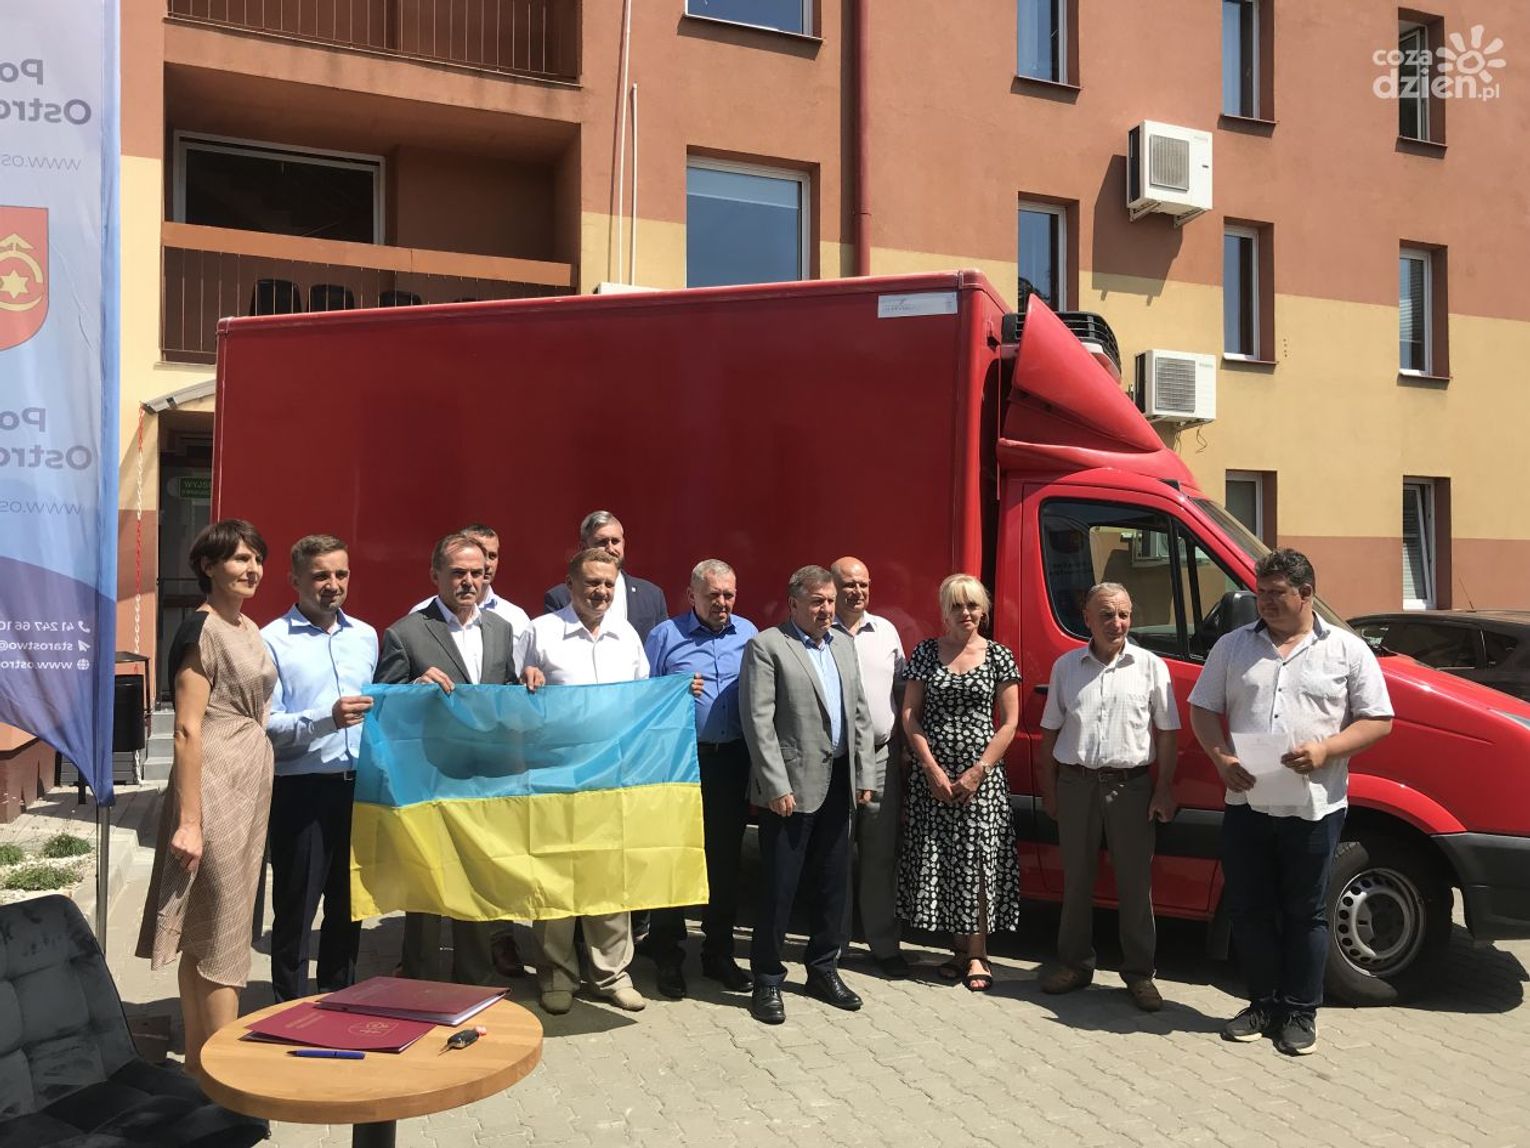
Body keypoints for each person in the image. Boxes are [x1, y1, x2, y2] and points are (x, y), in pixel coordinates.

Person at [1190, 548, 1392, 1056]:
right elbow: (1203, 709)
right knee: (1250, 910)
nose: (1265, 602)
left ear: (1306, 594)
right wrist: (1221, 758)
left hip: (1314, 808)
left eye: (1276, 593)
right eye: (1260, 592)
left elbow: (1378, 720)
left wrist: (1326, 750)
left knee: (1306, 914)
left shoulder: (1346, 651)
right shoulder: (1233, 646)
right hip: (1247, 804)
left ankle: (1301, 1012)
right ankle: (1262, 1004)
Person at [136, 519, 276, 1074]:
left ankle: (200, 1065)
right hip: (213, 783)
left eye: (257, 558)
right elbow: (186, 729)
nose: (252, 569)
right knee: (222, 928)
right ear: (207, 566)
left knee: (208, 925)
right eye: (240, 558)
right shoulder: (202, 630)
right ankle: (228, 1071)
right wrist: (190, 822)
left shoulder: (247, 625)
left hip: (247, 781)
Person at [374, 532, 537, 984]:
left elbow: (502, 695)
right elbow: (382, 707)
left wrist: (526, 679)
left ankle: (473, 980)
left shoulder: (501, 630)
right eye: (459, 573)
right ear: (435, 575)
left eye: (477, 574)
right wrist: (412, 689)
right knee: (426, 883)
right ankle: (421, 980)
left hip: (482, 779)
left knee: (476, 879)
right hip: (427, 779)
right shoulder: (406, 632)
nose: (469, 582)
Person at [741, 565, 877, 1025]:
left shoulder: (843, 644)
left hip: (839, 780)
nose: (826, 610)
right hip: (792, 788)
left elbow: (859, 713)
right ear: (794, 603)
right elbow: (758, 722)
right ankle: (766, 979)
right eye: (817, 601)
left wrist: (863, 773)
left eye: (830, 601)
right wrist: (775, 784)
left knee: (833, 883)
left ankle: (822, 969)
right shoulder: (768, 646)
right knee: (779, 886)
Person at [1036, 583, 1179, 1011]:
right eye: (1107, 615)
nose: (1117, 623)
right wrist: (1050, 791)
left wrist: (1164, 788)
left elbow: (1167, 734)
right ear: (1087, 619)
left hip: (1130, 787)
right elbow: (1049, 733)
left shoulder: (1151, 667)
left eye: (1124, 614)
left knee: (1135, 884)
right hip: (1076, 785)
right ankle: (1075, 965)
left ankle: (1139, 974)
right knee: (1076, 880)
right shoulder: (1066, 667)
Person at [522, 547, 651, 1016]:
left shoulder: (626, 636)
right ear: (570, 585)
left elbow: (642, 701)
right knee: (555, 875)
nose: (601, 592)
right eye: (592, 583)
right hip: (555, 776)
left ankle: (611, 974)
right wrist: (525, 680)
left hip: (612, 776)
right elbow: (515, 697)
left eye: (608, 584)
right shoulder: (540, 632)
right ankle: (557, 974)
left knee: (608, 876)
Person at [261, 534, 379, 1002]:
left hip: (358, 789)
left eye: (341, 574)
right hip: (302, 790)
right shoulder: (271, 640)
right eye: (320, 575)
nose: (333, 584)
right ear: (294, 580)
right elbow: (266, 726)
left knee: (349, 907)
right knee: (296, 908)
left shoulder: (366, 636)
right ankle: (288, 1007)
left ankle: (339, 998)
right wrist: (325, 719)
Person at [640, 559, 758, 998]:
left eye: (728, 594)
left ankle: (718, 954)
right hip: (679, 762)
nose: (722, 603)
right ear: (691, 596)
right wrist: (671, 691)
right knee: (674, 856)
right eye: (713, 595)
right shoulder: (664, 636)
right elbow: (642, 697)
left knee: (724, 861)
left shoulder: (748, 634)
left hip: (730, 762)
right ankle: (667, 954)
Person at [897, 573, 1021, 992]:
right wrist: (930, 768)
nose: (965, 613)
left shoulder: (999, 656)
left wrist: (978, 770)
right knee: (945, 858)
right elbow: (910, 714)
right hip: (933, 776)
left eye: (972, 605)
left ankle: (979, 953)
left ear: (983, 610)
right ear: (944, 612)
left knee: (978, 861)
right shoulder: (925, 652)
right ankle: (957, 950)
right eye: (957, 606)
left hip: (981, 778)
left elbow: (1010, 723)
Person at [830, 556, 910, 978]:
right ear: (832, 587)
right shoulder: (820, 633)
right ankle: (833, 945)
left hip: (880, 756)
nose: (857, 591)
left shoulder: (886, 632)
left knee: (880, 854)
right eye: (848, 584)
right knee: (836, 854)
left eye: (863, 584)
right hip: (835, 761)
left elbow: (902, 690)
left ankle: (884, 944)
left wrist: (905, 747)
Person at [543, 510, 668, 643]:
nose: (610, 549)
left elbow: (662, 646)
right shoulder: (560, 597)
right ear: (583, 548)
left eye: (615, 541)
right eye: (602, 542)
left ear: (623, 544)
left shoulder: (652, 595)